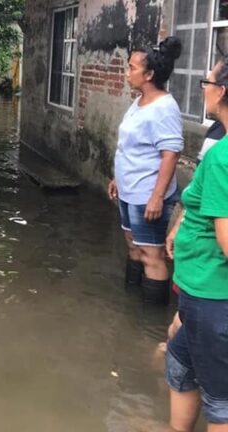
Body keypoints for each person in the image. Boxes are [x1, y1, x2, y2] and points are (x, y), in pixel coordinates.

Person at [164, 57, 228, 432]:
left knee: (220, 403)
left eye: (207, 82)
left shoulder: (222, 157)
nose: (203, 89)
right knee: (179, 358)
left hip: (212, 295)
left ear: (221, 92)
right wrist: (183, 224)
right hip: (201, 291)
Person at [107, 37, 183, 304]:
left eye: (132, 68)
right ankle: (131, 307)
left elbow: (170, 154)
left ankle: (150, 319)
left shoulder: (164, 108)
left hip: (147, 194)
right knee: (133, 247)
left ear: (149, 74)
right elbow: (131, 146)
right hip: (130, 190)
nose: (127, 73)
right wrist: (118, 177)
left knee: (152, 255)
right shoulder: (140, 101)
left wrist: (157, 197)